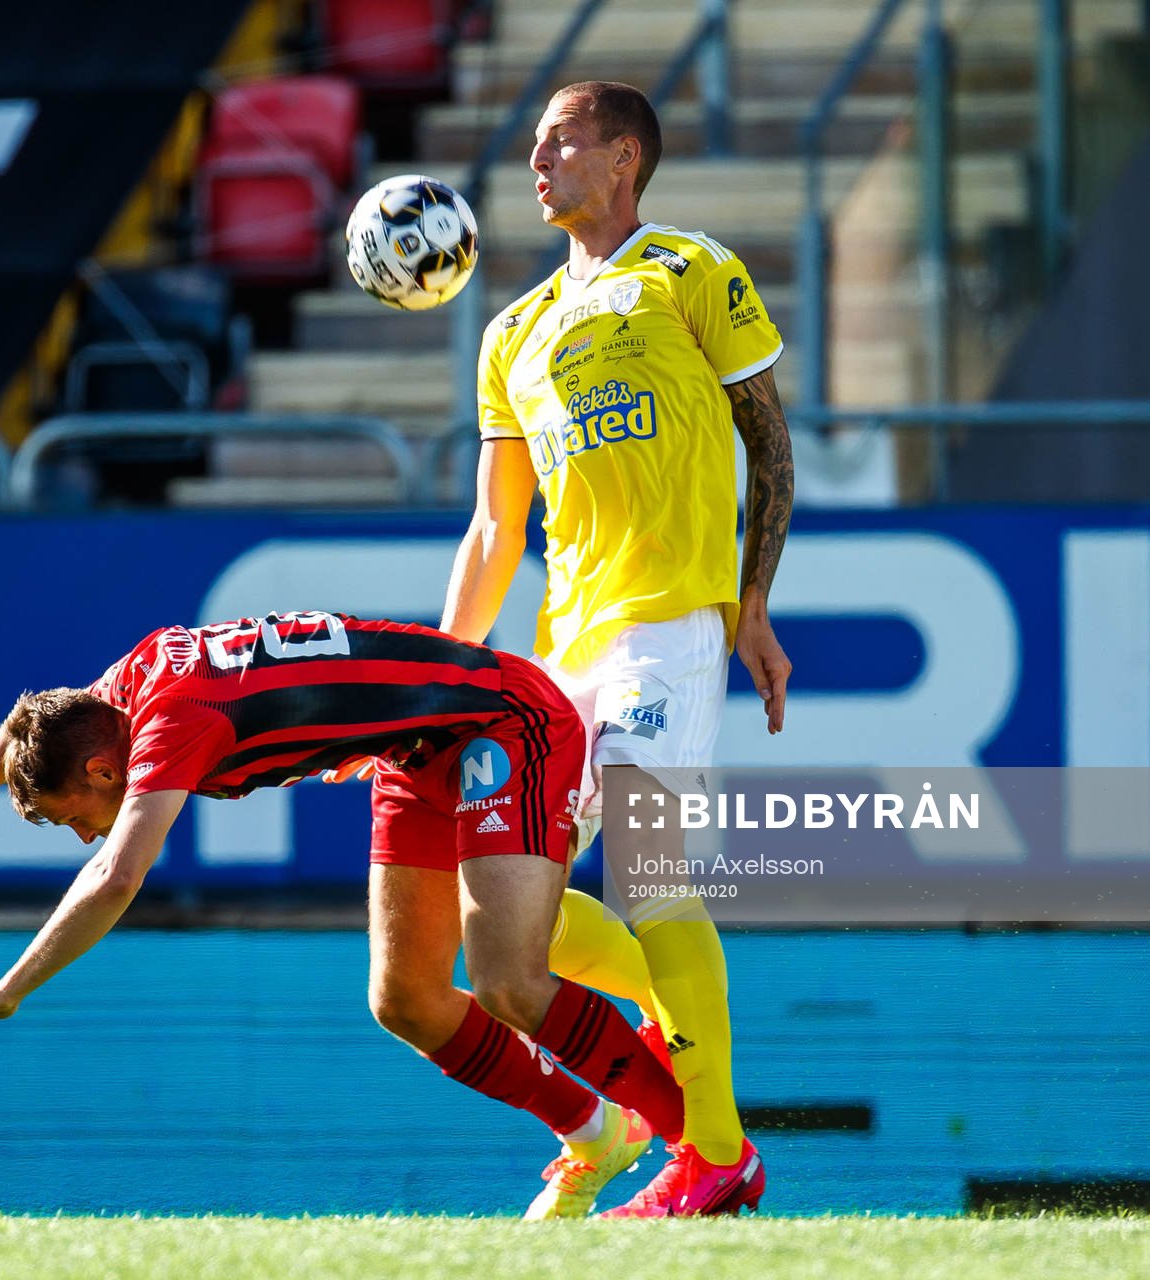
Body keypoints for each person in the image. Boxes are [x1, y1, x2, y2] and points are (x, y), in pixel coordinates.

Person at [0, 610, 683, 1212]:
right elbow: (27, 736)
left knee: (510, 984)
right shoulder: (119, 693)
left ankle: (706, 1155)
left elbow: (119, 875)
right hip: (413, 749)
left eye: (66, 817)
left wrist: (13, 984)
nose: (79, 834)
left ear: (100, 772)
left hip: (505, 721)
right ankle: (597, 1131)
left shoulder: (170, 725)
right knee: (406, 1000)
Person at [438, 80, 795, 1218]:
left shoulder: (692, 270)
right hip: (563, 655)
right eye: (535, 146)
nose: (537, 162)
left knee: (649, 871)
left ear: (623, 156)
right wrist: (445, 676)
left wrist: (752, 601)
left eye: (561, 143)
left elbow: (769, 441)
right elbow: (497, 526)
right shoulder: (513, 330)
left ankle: (715, 1150)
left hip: (671, 626)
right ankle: (672, 1025)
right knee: (493, 916)